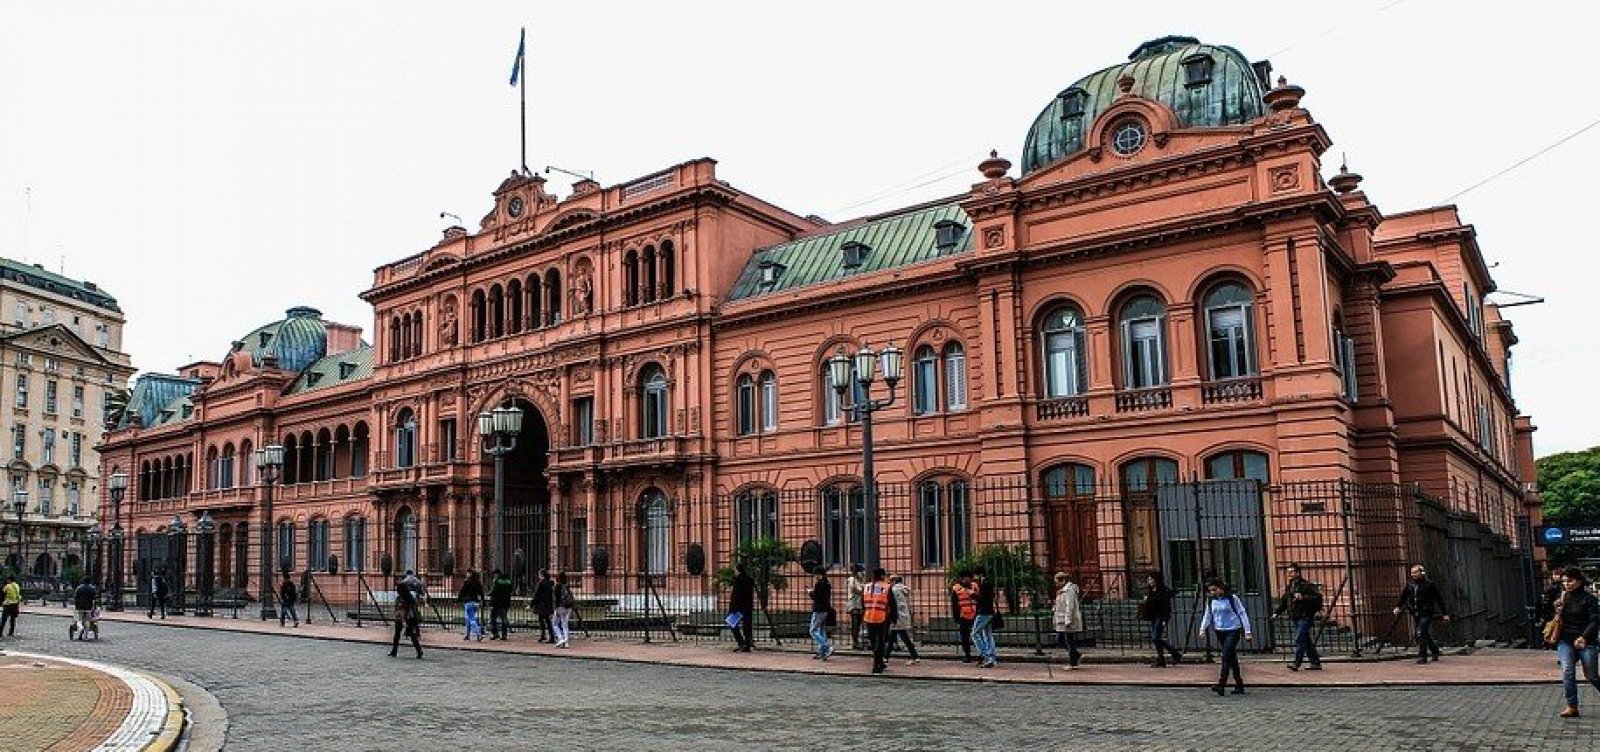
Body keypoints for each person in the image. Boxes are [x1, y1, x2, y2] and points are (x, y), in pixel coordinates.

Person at [1551, 566, 1600, 718]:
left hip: (1586, 641)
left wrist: (1584, 637)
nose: (1566, 584)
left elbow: (1594, 621)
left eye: (1570, 581)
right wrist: (1557, 608)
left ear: (1578, 581)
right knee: (1567, 672)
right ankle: (1572, 706)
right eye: (1564, 581)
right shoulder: (1563, 598)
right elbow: (1554, 618)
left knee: (1591, 675)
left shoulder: (1589, 599)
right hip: (1565, 640)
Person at [1199, 578, 1252, 696]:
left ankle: (1221, 684)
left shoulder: (1232, 598)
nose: (1212, 592)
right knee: (1231, 658)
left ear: (1221, 588)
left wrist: (1247, 631)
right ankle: (1239, 684)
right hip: (1220, 630)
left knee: (1226, 656)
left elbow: (1242, 613)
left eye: (1214, 589)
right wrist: (1202, 628)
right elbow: (1208, 615)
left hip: (1233, 629)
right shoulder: (1211, 600)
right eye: (1210, 590)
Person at [1393, 564, 1450, 664]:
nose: (1413, 574)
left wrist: (1445, 613)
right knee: (1424, 633)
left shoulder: (1429, 584)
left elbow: (1438, 599)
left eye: (1416, 572)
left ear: (1421, 573)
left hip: (1426, 612)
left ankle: (1422, 656)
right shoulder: (1410, 585)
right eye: (1412, 573)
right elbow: (1403, 597)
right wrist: (1398, 607)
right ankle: (1434, 650)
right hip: (1415, 613)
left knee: (1420, 632)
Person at [1274, 564, 1323, 671]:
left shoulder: (1306, 585)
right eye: (1288, 572)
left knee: (1299, 639)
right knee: (1306, 640)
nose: (1289, 574)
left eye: (1291, 572)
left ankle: (1297, 663)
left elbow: (1318, 597)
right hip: (1295, 617)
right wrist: (1276, 613)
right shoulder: (1289, 587)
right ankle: (1315, 662)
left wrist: (1303, 597)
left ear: (1297, 573)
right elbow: (1284, 602)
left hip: (1305, 616)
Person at [1140, 572, 1182, 667]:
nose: (1149, 581)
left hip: (1160, 616)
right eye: (1148, 579)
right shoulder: (1150, 591)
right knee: (1156, 638)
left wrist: (1164, 619)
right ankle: (1164, 657)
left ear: (1156, 580)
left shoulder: (1163, 591)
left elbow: (1166, 606)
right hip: (1153, 616)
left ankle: (1171, 654)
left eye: (1151, 579)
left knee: (1156, 637)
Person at [861, 568, 897, 674]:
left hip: (868, 617)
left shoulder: (866, 587)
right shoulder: (886, 587)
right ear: (882, 576)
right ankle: (876, 665)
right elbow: (892, 603)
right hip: (882, 617)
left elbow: (862, 602)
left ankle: (879, 662)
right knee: (880, 642)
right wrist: (894, 618)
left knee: (873, 642)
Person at [389, 570, 424, 658]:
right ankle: (395, 650)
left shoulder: (404, 598)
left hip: (406, 618)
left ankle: (418, 651)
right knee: (406, 635)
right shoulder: (408, 597)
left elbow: (404, 609)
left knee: (407, 635)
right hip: (403, 618)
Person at [1052, 572, 1084, 669]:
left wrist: (1068, 620)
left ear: (1063, 581)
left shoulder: (1069, 591)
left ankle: (1073, 663)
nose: (1056, 584)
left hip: (1067, 620)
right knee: (1061, 639)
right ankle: (1076, 656)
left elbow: (1070, 606)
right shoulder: (1062, 591)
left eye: (1057, 582)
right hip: (1061, 618)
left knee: (1068, 640)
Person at [971, 566, 1000, 668]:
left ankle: (986, 656)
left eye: (975, 575)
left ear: (980, 574)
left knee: (975, 634)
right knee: (988, 634)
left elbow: (983, 598)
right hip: (989, 611)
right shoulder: (987, 583)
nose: (974, 577)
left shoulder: (984, 584)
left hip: (984, 612)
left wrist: (973, 595)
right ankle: (992, 657)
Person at [888, 574, 918, 665]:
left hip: (897, 616)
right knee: (894, 637)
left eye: (890, 581)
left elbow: (893, 604)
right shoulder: (904, 589)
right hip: (904, 615)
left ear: (894, 581)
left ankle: (914, 656)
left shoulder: (894, 590)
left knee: (902, 637)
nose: (889, 583)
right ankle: (886, 656)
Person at [949, 573, 978, 663]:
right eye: (965, 577)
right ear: (960, 578)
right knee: (965, 637)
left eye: (968, 577)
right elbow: (954, 604)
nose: (967, 579)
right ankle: (967, 655)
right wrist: (956, 617)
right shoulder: (956, 589)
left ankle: (981, 654)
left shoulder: (975, 586)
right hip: (963, 616)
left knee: (978, 636)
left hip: (975, 614)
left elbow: (980, 598)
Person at [729, 563, 756, 652]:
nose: (734, 572)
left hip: (738, 607)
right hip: (747, 606)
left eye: (735, 570)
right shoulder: (749, 580)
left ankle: (741, 642)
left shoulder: (738, 580)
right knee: (747, 626)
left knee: (732, 623)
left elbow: (735, 596)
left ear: (738, 570)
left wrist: (732, 607)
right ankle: (747, 644)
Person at [809, 571, 834, 660]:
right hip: (826, 609)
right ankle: (822, 652)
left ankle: (826, 646)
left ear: (819, 575)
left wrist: (811, 593)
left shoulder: (819, 584)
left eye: (816, 575)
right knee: (822, 630)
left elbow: (817, 597)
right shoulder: (827, 583)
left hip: (819, 609)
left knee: (813, 630)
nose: (815, 577)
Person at [458, 570, 484, 642]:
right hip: (476, 603)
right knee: (468, 619)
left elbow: (462, 591)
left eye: (468, 573)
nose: (467, 574)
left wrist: (458, 600)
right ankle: (467, 635)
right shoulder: (478, 582)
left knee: (471, 619)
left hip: (468, 602)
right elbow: (481, 593)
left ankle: (478, 634)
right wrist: (483, 601)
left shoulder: (467, 582)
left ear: (470, 574)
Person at [488, 569, 514, 640]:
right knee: (504, 619)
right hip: (506, 602)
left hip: (497, 602)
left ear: (496, 574)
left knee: (493, 618)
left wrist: (489, 594)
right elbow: (511, 590)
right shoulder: (508, 580)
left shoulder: (497, 580)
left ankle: (495, 634)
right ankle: (504, 635)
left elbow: (494, 591)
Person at [531, 569, 555, 643]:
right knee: (548, 621)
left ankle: (543, 635)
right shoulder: (550, 583)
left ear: (541, 575)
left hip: (541, 605)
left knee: (542, 621)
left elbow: (537, 595)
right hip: (548, 604)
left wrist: (531, 604)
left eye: (539, 574)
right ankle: (551, 636)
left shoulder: (541, 583)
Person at [845, 564, 866, 650]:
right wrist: (863, 588)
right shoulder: (852, 580)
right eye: (861, 572)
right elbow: (855, 589)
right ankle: (855, 641)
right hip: (854, 603)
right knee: (855, 623)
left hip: (859, 603)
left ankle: (857, 640)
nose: (862, 574)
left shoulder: (859, 580)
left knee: (859, 622)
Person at [552, 571, 574, 649]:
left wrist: (556, 608)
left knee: (554, 624)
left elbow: (556, 599)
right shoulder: (567, 585)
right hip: (568, 607)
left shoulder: (557, 586)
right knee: (565, 625)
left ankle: (560, 639)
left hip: (560, 607)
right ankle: (566, 642)